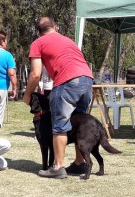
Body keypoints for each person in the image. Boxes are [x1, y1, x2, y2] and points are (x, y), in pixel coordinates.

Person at [23, 17, 94, 179]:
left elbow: (35, 74)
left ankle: (58, 167)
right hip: (87, 79)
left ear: (39, 32)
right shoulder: (68, 40)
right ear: (56, 27)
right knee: (78, 122)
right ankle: (79, 163)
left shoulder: (38, 43)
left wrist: (27, 95)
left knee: (59, 124)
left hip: (67, 81)